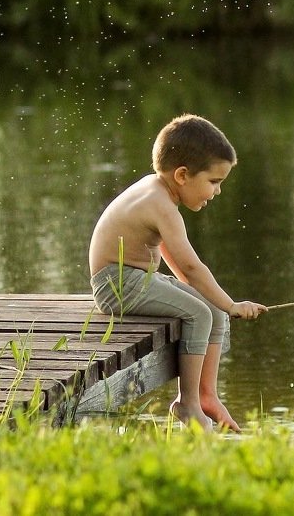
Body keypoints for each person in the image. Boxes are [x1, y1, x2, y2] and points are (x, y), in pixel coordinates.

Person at [88, 113, 267, 432]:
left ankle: (206, 394)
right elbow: (190, 267)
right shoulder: (161, 205)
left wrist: (217, 304)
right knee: (202, 313)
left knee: (211, 310)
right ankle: (188, 403)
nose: (217, 191)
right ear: (183, 175)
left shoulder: (159, 191)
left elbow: (170, 255)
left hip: (137, 278)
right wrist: (232, 304)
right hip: (116, 285)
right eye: (214, 182)